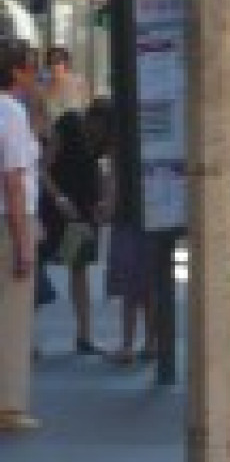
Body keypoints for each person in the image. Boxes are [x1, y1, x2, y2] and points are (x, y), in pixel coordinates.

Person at [0, 38, 43, 431]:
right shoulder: (11, 112)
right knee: (13, 318)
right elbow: (13, 179)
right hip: (11, 219)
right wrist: (24, 245)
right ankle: (8, 405)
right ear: (15, 71)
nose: (37, 76)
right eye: (32, 68)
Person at [97, 98, 157, 366]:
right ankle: (151, 342)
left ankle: (128, 345)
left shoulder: (117, 147)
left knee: (131, 287)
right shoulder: (144, 137)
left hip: (127, 219)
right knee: (146, 287)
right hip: (150, 216)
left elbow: (114, 182)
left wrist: (106, 209)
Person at [39, 108, 102, 355]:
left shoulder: (90, 140)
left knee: (76, 270)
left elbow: (43, 169)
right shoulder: (74, 132)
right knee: (64, 271)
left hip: (73, 213)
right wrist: (60, 199)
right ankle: (81, 336)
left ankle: (84, 336)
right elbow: (43, 169)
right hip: (66, 213)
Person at [41, 45, 88, 123]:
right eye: (49, 63)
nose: (53, 66)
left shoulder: (79, 82)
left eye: (57, 62)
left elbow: (86, 108)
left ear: (66, 63)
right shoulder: (45, 87)